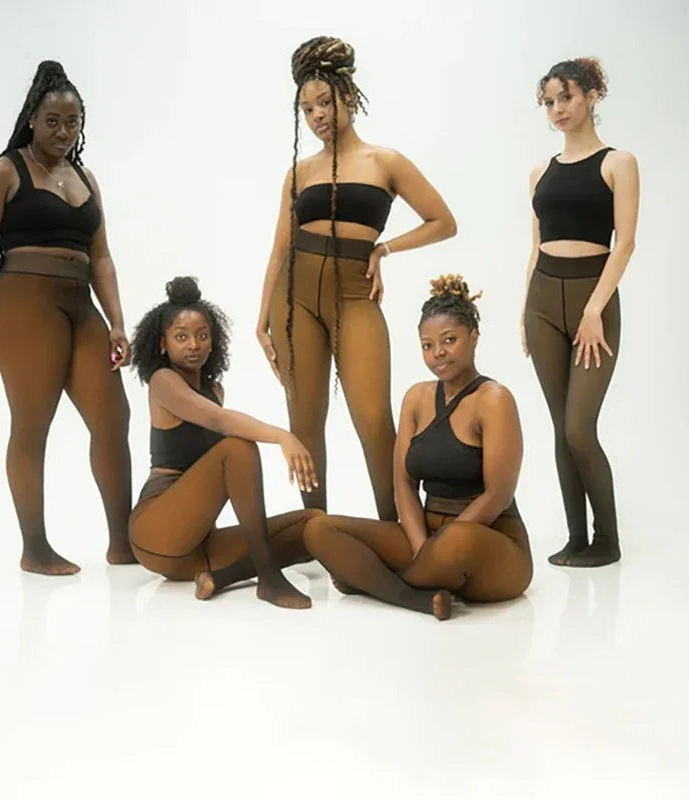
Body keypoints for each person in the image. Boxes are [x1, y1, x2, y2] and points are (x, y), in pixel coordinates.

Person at [256, 35, 457, 521]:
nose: (317, 115)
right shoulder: (299, 172)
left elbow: (442, 221)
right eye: (306, 109)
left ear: (348, 96)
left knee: (372, 419)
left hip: (353, 295)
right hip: (295, 297)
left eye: (324, 102)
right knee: (304, 422)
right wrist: (262, 316)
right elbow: (281, 246)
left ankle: (397, 528)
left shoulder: (384, 162)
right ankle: (314, 526)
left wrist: (384, 248)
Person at [0, 60, 133, 575]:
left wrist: (118, 322)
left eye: (73, 121)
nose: (64, 131)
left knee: (113, 416)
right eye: (53, 120)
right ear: (32, 120)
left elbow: (101, 257)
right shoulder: (2, 173)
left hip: (80, 304)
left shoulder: (85, 178)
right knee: (34, 422)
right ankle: (34, 547)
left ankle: (122, 542)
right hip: (22, 302)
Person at [304, 276, 533, 620]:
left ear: (474, 337)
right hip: (426, 535)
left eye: (449, 340)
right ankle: (418, 596)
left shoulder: (494, 399)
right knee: (320, 529)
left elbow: (498, 494)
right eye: (427, 345)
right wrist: (421, 547)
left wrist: (437, 548)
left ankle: (378, 584)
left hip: (488, 545)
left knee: (456, 541)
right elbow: (404, 485)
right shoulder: (416, 398)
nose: (437, 353)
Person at [128, 276, 323, 610]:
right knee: (238, 446)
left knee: (311, 525)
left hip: (197, 548)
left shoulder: (215, 390)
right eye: (181, 336)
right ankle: (268, 577)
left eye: (202, 336)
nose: (193, 344)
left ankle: (223, 578)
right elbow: (219, 422)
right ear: (162, 344)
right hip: (155, 532)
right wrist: (283, 436)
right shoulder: (163, 382)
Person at [523, 58, 639, 567]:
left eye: (565, 97)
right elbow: (535, 245)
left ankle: (607, 540)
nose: (557, 109)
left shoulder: (619, 162)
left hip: (594, 299)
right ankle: (575, 538)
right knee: (558, 427)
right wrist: (525, 308)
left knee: (578, 428)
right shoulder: (540, 172)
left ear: (592, 95)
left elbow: (626, 244)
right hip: (544, 302)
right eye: (549, 102)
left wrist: (595, 308)